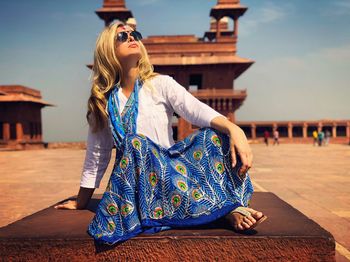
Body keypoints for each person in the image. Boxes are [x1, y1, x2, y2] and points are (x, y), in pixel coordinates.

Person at [54, 22, 266, 245]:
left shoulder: (160, 84)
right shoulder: (104, 102)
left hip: (173, 173)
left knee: (214, 136)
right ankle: (223, 212)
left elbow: (197, 112)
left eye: (134, 34)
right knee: (136, 143)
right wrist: (81, 201)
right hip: (138, 183)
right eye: (122, 36)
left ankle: (228, 208)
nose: (131, 37)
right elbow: (97, 155)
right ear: (108, 50)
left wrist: (235, 129)